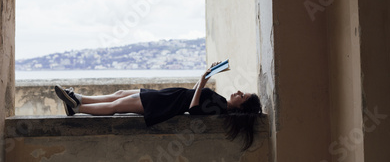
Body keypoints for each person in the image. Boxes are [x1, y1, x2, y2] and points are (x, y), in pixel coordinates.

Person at [54, 62, 262, 150]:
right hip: (167, 96)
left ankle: (77, 108)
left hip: (164, 105)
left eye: (243, 96)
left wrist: (203, 81)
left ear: (241, 107)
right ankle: (78, 98)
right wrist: (205, 77)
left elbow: (194, 109)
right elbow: (192, 95)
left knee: (118, 104)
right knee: (119, 95)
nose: (238, 92)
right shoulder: (220, 101)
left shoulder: (221, 108)